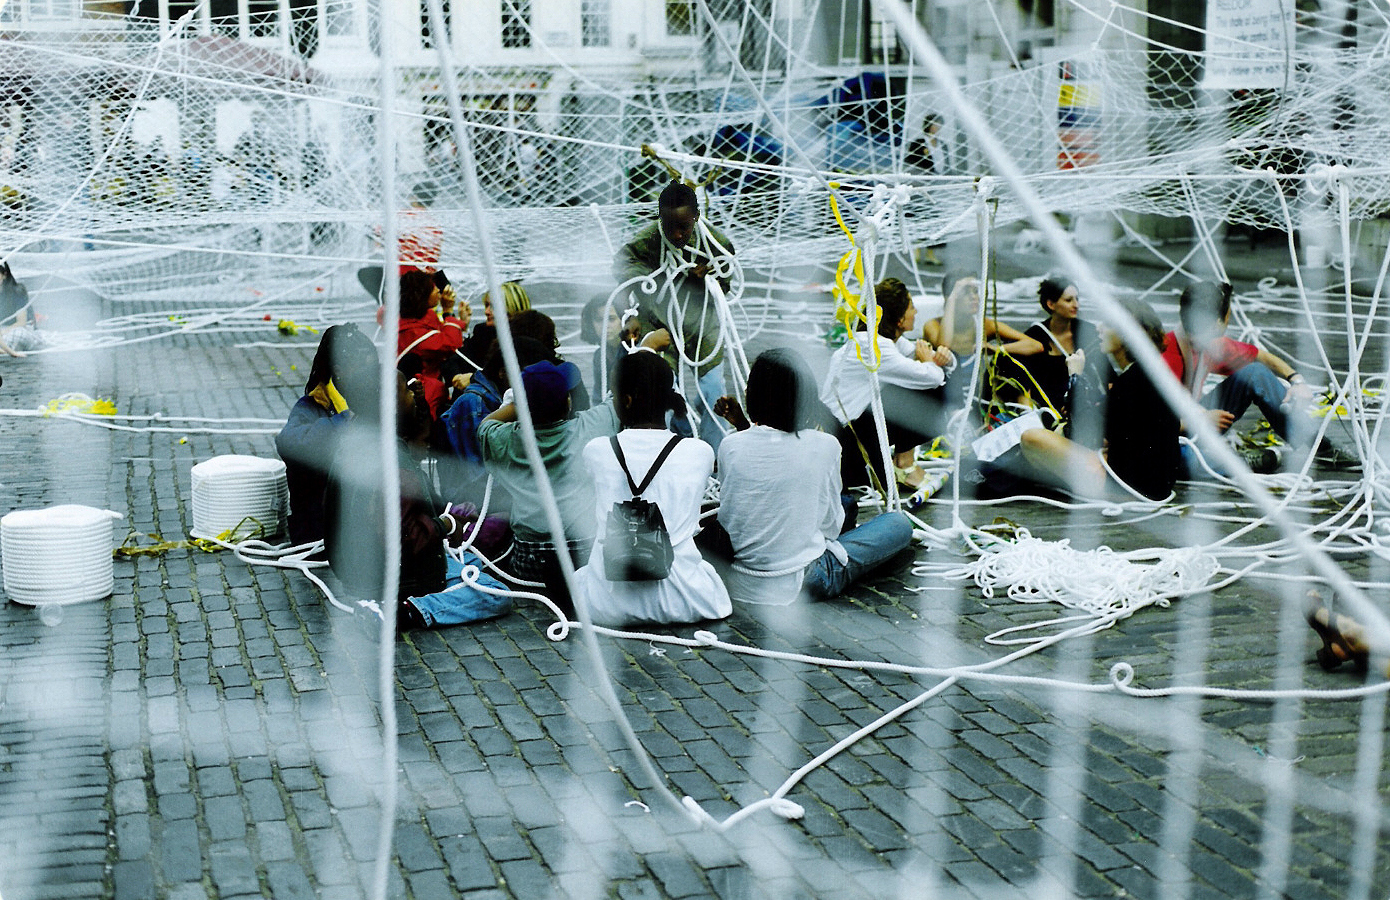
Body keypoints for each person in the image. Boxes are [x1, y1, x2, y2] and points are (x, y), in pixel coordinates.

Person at [711, 349, 915, 605]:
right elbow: (830, 526)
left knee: (846, 504)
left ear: (751, 394)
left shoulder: (730, 445)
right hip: (801, 581)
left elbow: (739, 504)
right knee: (898, 523)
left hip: (742, 581)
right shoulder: (825, 445)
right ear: (806, 397)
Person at [323, 367, 512, 630]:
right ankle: (402, 612)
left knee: (471, 562)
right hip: (392, 577)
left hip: (356, 572)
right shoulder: (395, 464)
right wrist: (446, 525)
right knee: (495, 594)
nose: (413, 395)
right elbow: (405, 537)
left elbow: (417, 439)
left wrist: (419, 405)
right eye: (407, 392)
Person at [572, 351, 731, 626]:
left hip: (606, 604)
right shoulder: (699, 452)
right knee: (716, 532)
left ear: (627, 400)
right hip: (686, 599)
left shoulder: (596, 450)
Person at [1162, 280, 1353, 472]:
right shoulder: (1163, 358)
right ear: (1217, 323)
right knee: (1175, 456)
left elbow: (1261, 357)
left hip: (1195, 418)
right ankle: (1233, 463)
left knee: (1255, 373)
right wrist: (1199, 420)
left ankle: (1319, 447)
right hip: (1165, 432)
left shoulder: (1209, 344)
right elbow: (1148, 424)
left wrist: (1296, 380)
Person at [478, 359, 620, 613]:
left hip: (530, 561)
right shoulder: (590, 426)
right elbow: (614, 402)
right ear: (568, 402)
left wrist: (515, 406)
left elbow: (485, 425)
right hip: (585, 554)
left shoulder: (507, 439)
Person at [1013, 297, 1180, 501]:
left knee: (1032, 438)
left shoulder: (1131, 381)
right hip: (1154, 485)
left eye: (1107, 324)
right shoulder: (1150, 375)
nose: (1099, 328)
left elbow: (1085, 435)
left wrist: (1075, 376)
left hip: (1125, 488)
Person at [613, 181, 735, 449]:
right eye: (670, 226)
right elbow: (622, 275)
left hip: (702, 325)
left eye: (684, 227)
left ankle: (715, 452)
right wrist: (629, 315)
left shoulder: (716, 243)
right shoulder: (645, 242)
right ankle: (662, 449)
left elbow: (724, 284)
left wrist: (704, 280)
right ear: (660, 218)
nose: (677, 234)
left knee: (713, 390)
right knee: (660, 390)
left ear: (696, 217)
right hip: (658, 323)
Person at [820, 277, 954, 492]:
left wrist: (943, 358)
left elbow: (923, 360)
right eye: (911, 307)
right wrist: (931, 362)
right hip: (842, 437)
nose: (916, 312)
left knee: (923, 385)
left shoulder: (883, 341)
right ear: (899, 320)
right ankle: (904, 465)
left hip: (850, 430)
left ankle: (901, 463)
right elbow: (933, 378)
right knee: (935, 392)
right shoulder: (873, 346)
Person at [275, 324, 378, 548]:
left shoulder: (376, 400)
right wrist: (345, 420)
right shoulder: (313, 405)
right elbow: (289, 443)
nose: (372, 378)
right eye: (364, 370)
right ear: (339, 371)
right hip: (318, 529)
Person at [921, 271, 1026, 409]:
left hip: (979, 398)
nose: (974, 297)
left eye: (975, 291)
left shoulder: (984, 325)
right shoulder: (933, 325)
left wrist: (995, 348)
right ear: (950, 298)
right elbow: (944, 346)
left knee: (1013, 356)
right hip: (946, 400)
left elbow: (1034, 345)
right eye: (965, 292)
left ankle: (1025, 410)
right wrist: (951, 300)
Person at [1008, 276, 1102, 421]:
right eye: (1069, 300)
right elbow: (1021, 379)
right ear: (1051, 304)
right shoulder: (1034, 336)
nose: (1076, 305)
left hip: (1084, 405)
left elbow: (1107, 374)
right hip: (1048, 411)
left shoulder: (1087, 331)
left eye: (1077, 299)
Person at [396, 268, 466, 419]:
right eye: (433, 288)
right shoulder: (414, 332)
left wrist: (458, 320)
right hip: (426, 394)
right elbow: (449, 343)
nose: (438, 291)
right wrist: (448, 310)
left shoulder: (412, 321)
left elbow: (443, 333)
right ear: (423, 295)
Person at [0, 261, 40, 356]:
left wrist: (3, 331)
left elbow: (21, 322)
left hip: (19, 329)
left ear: (5, 275)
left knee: (17, 336)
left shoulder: (17, 291)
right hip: (1, 330)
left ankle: (6, 350)